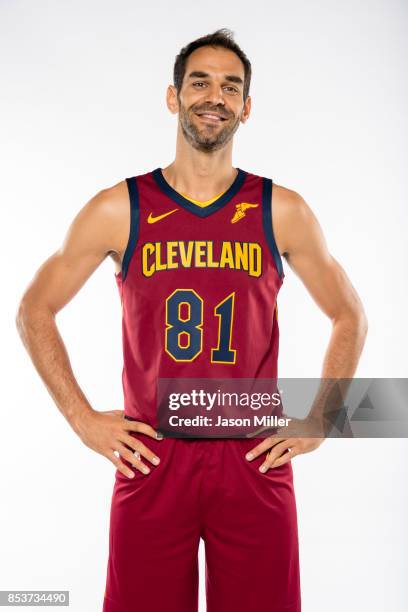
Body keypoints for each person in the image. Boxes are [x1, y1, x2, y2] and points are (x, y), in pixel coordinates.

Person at [16, 28, 368, 612]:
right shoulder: (119, 207)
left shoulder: (282, 210)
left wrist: (323, 418)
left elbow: (349, 314)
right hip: (152, 453)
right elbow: (34, 308)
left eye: (231, 87)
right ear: (173, 97)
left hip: (253, 452)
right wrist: (81, 419)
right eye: (199, 81)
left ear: (246, 108)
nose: (215, 96)